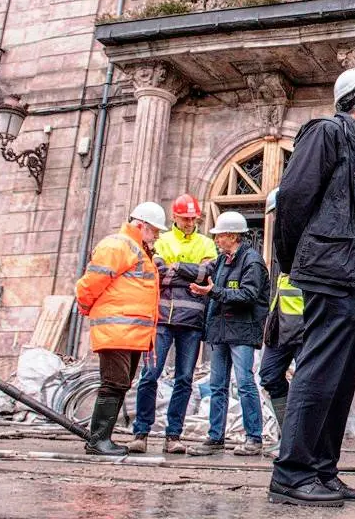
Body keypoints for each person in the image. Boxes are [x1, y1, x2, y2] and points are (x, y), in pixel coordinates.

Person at [268, 67, 355, 507]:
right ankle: (292, 474)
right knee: (318, 371)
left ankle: (321, 470)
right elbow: (294, 200)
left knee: (340, 379)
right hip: (330, 272)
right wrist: (296, 263)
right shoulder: (326, 133)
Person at [127, 193, 217, 455]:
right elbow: (159, 273)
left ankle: (173, 435)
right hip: (163, 319)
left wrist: (176, 267)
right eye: (185, 218)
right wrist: (188, 271)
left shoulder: (206, 243)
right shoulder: (162, 240)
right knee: (150, 376)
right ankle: (141, 432)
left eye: (193, 218)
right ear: (175, 216)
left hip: (191, 321)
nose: (190, 222)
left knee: (184, 379)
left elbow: (206, 273)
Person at [75, 202, 167, 455]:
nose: (156, 236)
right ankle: (98, 440)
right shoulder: (118, 245)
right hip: (117, 327)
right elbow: (89, 283)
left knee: (120, 383)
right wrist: (86, 307)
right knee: (114, 383)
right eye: (154, 230)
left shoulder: (135, 249)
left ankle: (102, 438)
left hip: (130, 331)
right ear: (141, 226)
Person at [186, 211, 270, 457]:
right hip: (221, 331)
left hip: (242, 331)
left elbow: (248, 295)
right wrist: (174, 268)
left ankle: (253, 438)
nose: (217, 240)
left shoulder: (252, 262)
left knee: (245, 384)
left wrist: (213, 292)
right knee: (217, 385)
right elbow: (202, 272)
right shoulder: (222, 260)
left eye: (220, 235)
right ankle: (215, 437)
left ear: (232, 236)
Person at [258, 187, 305, 459]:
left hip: (304, 323)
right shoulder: (283, 238)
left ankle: (296, 442)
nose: (275, 219)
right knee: (269, 374)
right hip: (281, 323)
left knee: (304, 382)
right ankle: (288, 435)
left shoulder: (306, 235)